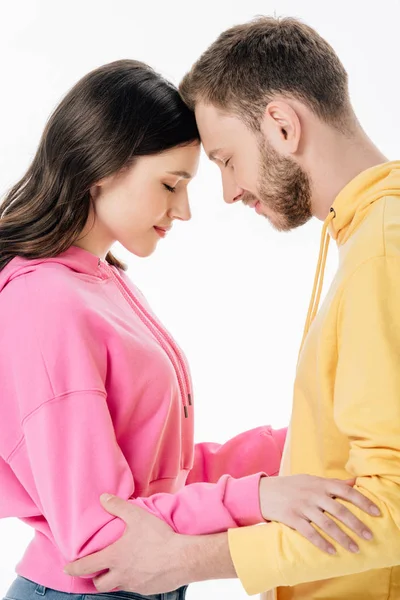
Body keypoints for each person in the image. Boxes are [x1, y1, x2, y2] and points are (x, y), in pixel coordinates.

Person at [0, 59, 377, 600]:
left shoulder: (100, 282)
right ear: (101, 168)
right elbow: (98, 533)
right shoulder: (44, 303)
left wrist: (300, 446)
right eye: (171, 184)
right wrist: (258, 498)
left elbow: (161, 478)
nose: (184, 209)